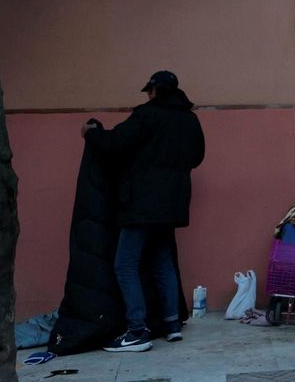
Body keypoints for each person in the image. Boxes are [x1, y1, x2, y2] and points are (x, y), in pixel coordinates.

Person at [82, 69, 205, 353]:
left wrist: (92, 134)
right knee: (162, 260)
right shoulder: (190, 119)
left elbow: (115, 143)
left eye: (149, 91)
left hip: (141, 204)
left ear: (155, 90)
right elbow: (197, 157)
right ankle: (172, 324)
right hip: (172, 205)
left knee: (125, 264)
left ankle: (137, 330)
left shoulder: (147, 115)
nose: (148, 96)